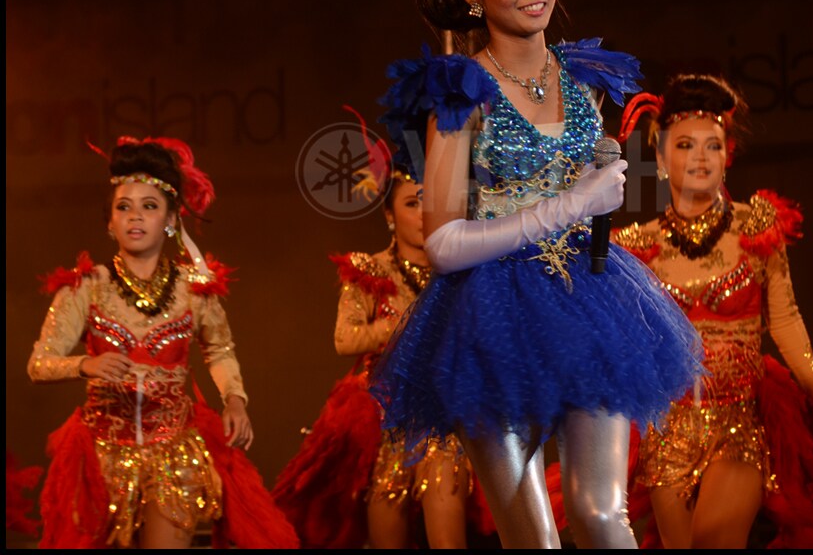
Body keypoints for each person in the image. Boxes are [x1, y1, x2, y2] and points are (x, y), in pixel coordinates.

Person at [369, 0, 705, 549]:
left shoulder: (584, 79)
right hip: (489, 315)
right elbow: (442, 243)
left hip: (590, 300)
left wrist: (601, 180)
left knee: (602, 516)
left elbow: (588, 184)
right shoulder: (461, 92)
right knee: (534, 541)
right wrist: (573, 203)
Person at [607, 73, 813, 549]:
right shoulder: (636, 246)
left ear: (727, 156)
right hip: (668, 431)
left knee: (714, 541)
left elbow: (785, 320)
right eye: (685, 145)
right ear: (661, 158)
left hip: (738, 424)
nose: (701, 157)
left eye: (713, 145)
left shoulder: (757, 229)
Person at [26, 136, 298, 550]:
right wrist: (84, 365)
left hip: (174, 452)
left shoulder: (195, 289)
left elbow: (220, 350)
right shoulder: (86, 288)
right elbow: (39, 363)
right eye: (124, 207)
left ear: (170, 219)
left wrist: (235, 400)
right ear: (109, 221)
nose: (135, 216)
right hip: (100, 455)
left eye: (149, 206)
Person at [272, 108, 488, 549]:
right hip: (386, 427)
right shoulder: (369, 271)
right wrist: (395, 327)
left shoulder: (461, 272)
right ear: (389, 214)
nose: (425, 214)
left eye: (432, 200)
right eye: (412, 203)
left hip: (446, 421)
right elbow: (344, 339)